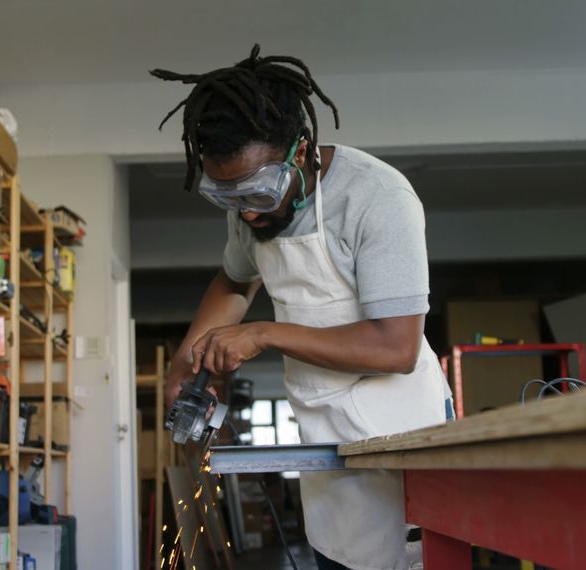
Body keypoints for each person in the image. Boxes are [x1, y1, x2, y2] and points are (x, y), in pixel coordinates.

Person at [151, 45, 454, 570]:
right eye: (227, 198)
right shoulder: (249, 209)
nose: (246, 211)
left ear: (301, 150)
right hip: (321, 436)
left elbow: (396, 346)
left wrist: (264, 335)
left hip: (401, 431)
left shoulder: (377, 197)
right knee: (335, 556)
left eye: (259, 193)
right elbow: (234, 281)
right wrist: (186, 358)